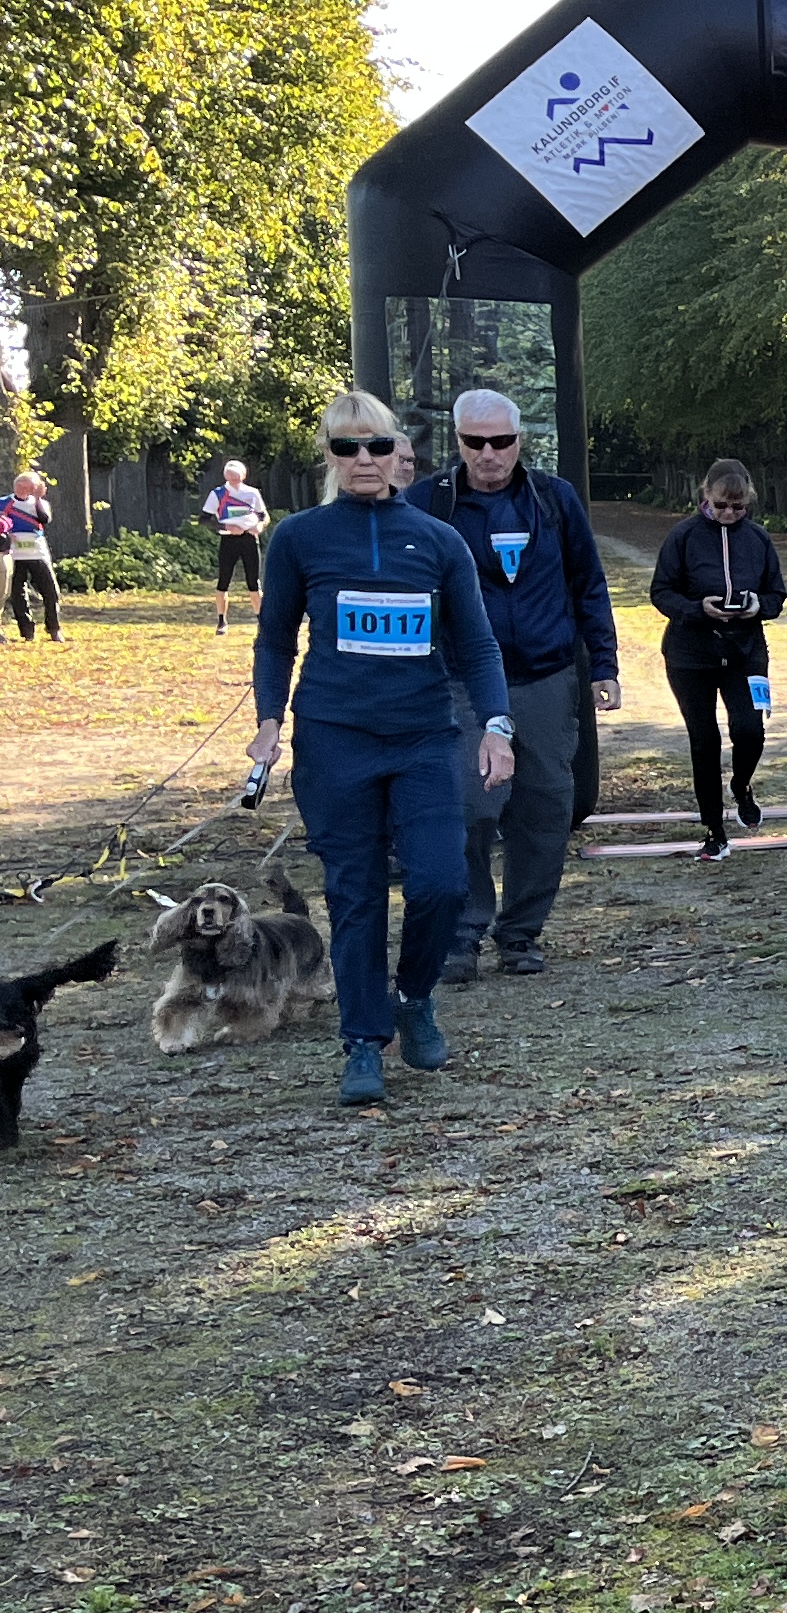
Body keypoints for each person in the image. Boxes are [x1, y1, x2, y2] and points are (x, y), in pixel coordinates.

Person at [246, 391, 514, 1107]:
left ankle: (414, 999)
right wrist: (269, 721)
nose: (361, 461)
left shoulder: (437, 540)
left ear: (400, 453)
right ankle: (363, 1041)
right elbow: (274, 639)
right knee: (354, 892)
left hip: (424, 737)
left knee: (441, 882)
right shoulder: (301, 538)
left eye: (375, 446)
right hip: (336, 739)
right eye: (345, 448)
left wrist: (497, 725)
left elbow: (480, 645)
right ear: (330, 459)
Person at [412, 390, 619, 984]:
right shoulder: (431, 503)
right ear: (457, 443)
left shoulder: (554, 500)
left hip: (547, 678)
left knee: (545, 807)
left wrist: (602, 664)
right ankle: (461, 932)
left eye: (500, 441)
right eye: (474, 442)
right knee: (468, 805)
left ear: (519, 440)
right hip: (462, 682)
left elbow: (589, 583)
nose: (488, 454)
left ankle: (521, 932)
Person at [648, 459, 787, 861]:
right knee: (704, 740)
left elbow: (777, 596)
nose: (729, 514)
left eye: (738, 507)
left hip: (745, 650)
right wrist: (698, 609)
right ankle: (714, 828)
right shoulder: (684, 536)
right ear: (705, 496)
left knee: (750, 729)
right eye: (721, 506)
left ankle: (742, 784)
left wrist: (755, 607)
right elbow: (661, 591)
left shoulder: (759, 539)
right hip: (691, 653)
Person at [200, 458, 268, 629]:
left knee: (253, 581)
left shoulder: (252, 493)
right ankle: (222, 620)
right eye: (231, 478)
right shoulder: (218, 494)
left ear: (243, 476)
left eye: (237, 478)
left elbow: (263, 515)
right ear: (225, 477)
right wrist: (226, 526)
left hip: (249, 539)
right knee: (224, 580)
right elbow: (204, 519)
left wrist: (259, 526)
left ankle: (262, 620)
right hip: (229, 539)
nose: (234, 481)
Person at [2, 472, 57, 641]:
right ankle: (27, 630)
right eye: (20, 486)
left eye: (27, 487)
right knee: (17, 593)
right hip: (14, 555)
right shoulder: (4, 502)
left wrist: (38, 499)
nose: (23, 490)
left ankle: (54, 628)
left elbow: (44, 519)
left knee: (50, 591)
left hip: (37, 552)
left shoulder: (40, 504)